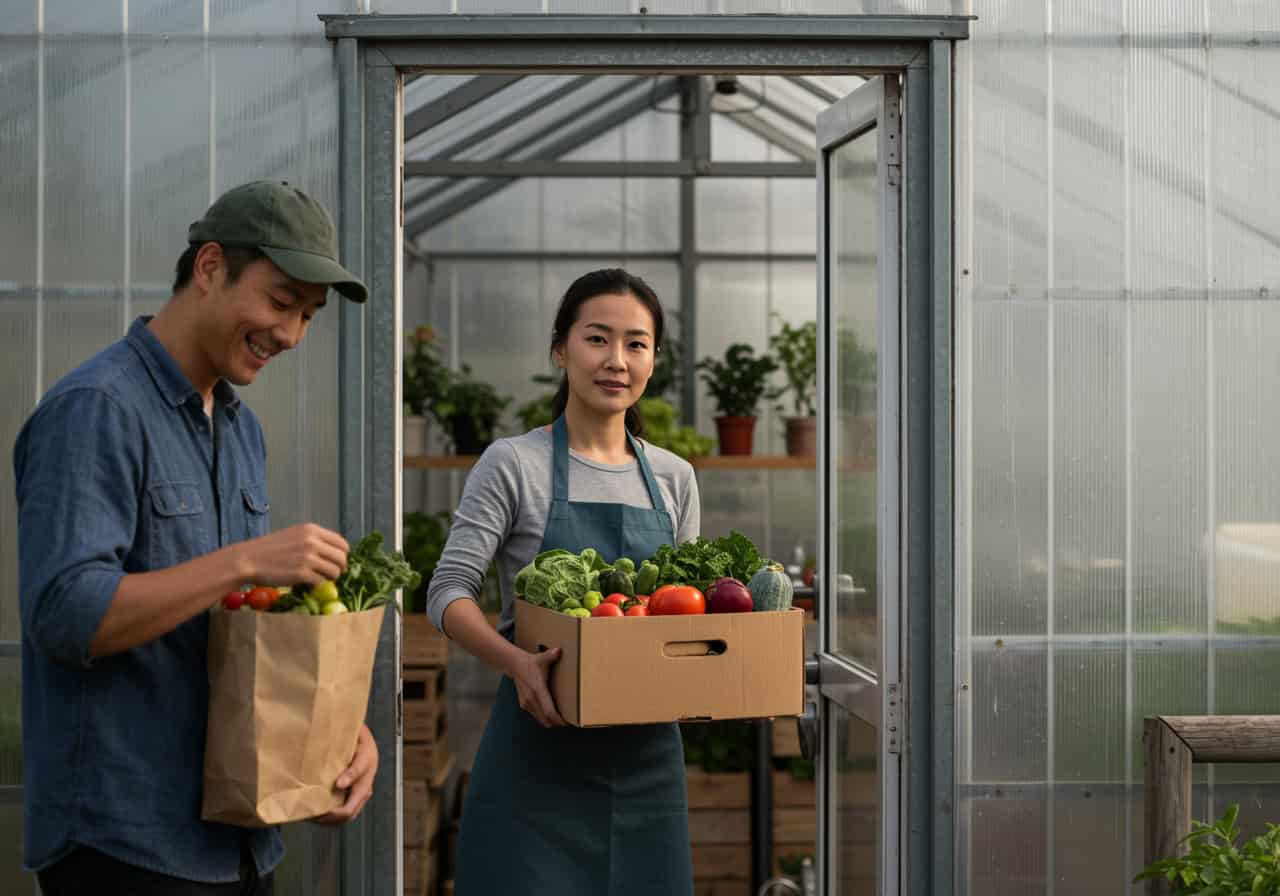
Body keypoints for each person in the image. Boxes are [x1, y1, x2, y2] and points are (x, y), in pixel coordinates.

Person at [14, 181, 378, 896]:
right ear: (210, 267)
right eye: (280, 302)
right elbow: (64, 614)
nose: (291, 335)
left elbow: (233, 635)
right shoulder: (97, 411)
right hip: (126, 843)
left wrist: (331, 732)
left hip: (238, 838)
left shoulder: (240, 429)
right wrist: (244, 558)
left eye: (308, 315)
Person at [426, 268, 701, 895]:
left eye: (637, 344)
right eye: (597, 339)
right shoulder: (513, 464)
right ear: (561, 349)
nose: (617, 361)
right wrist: (517, 664)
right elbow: (446, 592)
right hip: (536, 757)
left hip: (649, 763)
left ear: (655, 359)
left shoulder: (675, 478)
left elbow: (686, 616)